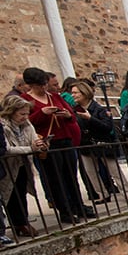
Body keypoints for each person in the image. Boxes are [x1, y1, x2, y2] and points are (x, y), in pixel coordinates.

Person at [21, 67, 91, 224]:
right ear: (31, 84)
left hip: (65, 139)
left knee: (71, 176)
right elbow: (26, 122)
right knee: (56, 179)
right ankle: (65, 211)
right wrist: (42, 113)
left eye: (45, 84)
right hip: (48, 143)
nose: (44, 87)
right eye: (40, 85)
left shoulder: (54, 97)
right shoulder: (26, 100)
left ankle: (78, 206)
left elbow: (72, 116)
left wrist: (67, 115)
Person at [1, 95, 46, 237]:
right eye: (22, 114)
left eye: (27, 113)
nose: (25, 117)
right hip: (7, 166)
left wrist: (40, 145)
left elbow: (33, 140)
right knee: (9, 195)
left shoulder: (27, 125)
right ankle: (15, 224)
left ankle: (22, 222)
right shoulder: (3, 126)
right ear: (11, 111)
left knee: (21, 193)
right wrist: (30, 149)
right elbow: (6, 149)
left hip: (22, 165)